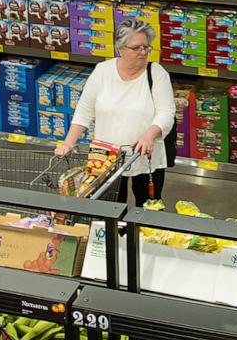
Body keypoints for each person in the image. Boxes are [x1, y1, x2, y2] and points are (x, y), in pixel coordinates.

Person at [55, 20, 175, 206]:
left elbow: (166, 112)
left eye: (146, 47)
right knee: (109, 209)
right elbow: (84, 111)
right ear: (120, 48)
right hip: (106, 158)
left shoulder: (157, 74)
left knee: (148, 209)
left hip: (145, 156)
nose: (143, 52)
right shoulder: (103, 71)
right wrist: (68, 143)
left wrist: (149, 135)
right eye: (136, 48)